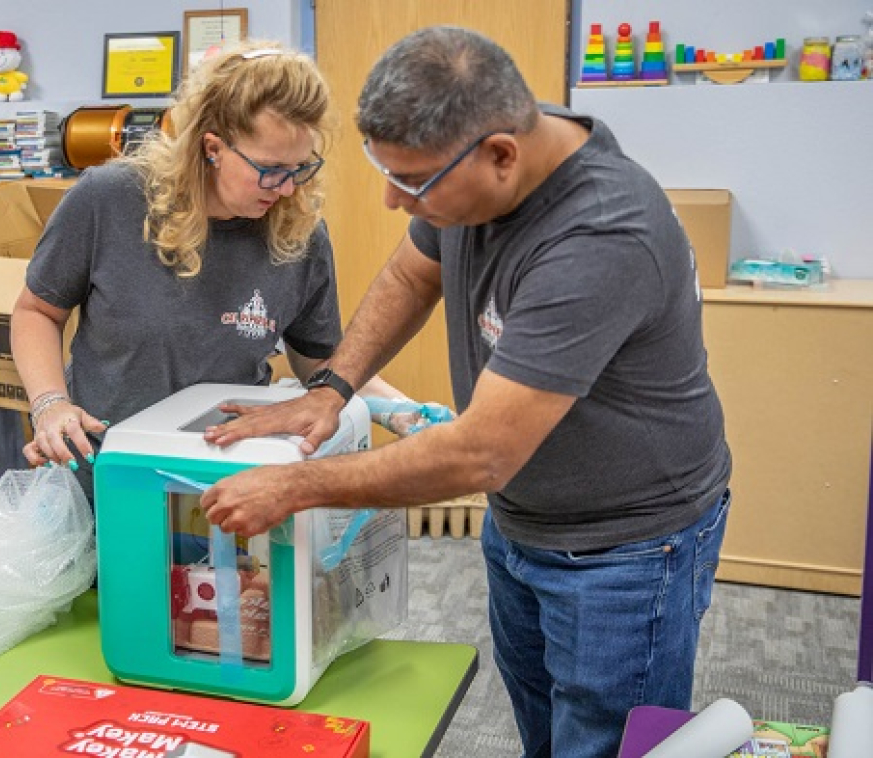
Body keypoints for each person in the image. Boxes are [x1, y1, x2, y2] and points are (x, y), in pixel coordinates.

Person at [198, 27, 732, 758]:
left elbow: (480, 454)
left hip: (626, 548)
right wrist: (331, 388)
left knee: (606, 744)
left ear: (502, 157)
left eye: (412, 183)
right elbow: (409, 276)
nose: (392, 200)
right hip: (525, 522)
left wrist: (294, 486)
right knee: (545, 727)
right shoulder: (480, 147)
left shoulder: (601, 236)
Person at [10, 40, 409, 492]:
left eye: (301, 168)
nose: (287, 190)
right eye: (271, 169)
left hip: (225, 477)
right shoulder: (110, 199)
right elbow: (36, 312)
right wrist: (49, 405)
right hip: (106, 468)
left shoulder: (300, 233)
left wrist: (399, 409)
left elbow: (321, 363)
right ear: (213, 146)